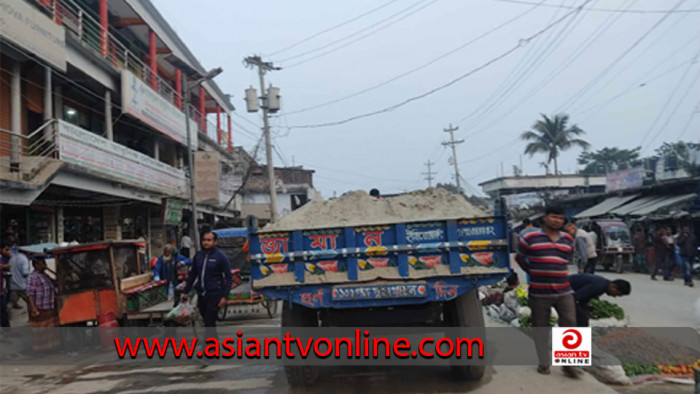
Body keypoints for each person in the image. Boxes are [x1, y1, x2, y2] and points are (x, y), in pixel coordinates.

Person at [515, 204, 580, 378]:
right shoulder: (529, 236)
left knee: (570, 326)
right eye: (553, 217)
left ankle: (570, 365)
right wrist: (532, 271)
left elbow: (566, 260)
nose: (557, 221)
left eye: (560, 218)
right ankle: (544, 362)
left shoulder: (568, 239)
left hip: (564, 291)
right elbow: (519, 257)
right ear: (545, 217)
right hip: (539, 293)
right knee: (541, 328)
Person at [181, 231, 232, 328]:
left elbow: (229, 277)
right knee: (207, 322)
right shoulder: (198, 256)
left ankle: (209, 343)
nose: (206, 242)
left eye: (209, 240)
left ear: (215, 242)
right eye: (204, 240)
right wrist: (185, 291)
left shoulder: (221, 257)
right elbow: (192, 275)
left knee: (209, 322)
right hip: (202, 294)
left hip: (215, 294)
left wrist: (225, 296)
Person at [26, 257, 60, 351]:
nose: (44, 265)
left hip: (49, 306)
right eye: (42, 263)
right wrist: (33, 308)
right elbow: (30, 294)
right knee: (41, 330)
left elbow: (56, 282)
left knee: (51, 328)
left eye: (44, 263)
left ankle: (51, 347)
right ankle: (41, 350)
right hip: (40, 307)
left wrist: (50, 270)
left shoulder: (45, 275)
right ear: (36, 265)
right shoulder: (33, 277)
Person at [7, 242, 30, 310]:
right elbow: (25, 273)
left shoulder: (11, 259)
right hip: (22, 285)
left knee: (12, 303)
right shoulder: (24, 259)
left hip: (13, 285)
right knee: (30, 301)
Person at [0, 242, 11, 330]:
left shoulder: (5, 258)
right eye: (6, 249)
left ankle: (7, 331)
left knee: (4, 311)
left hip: (1, 289)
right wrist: (5, 266)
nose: (8, 252)